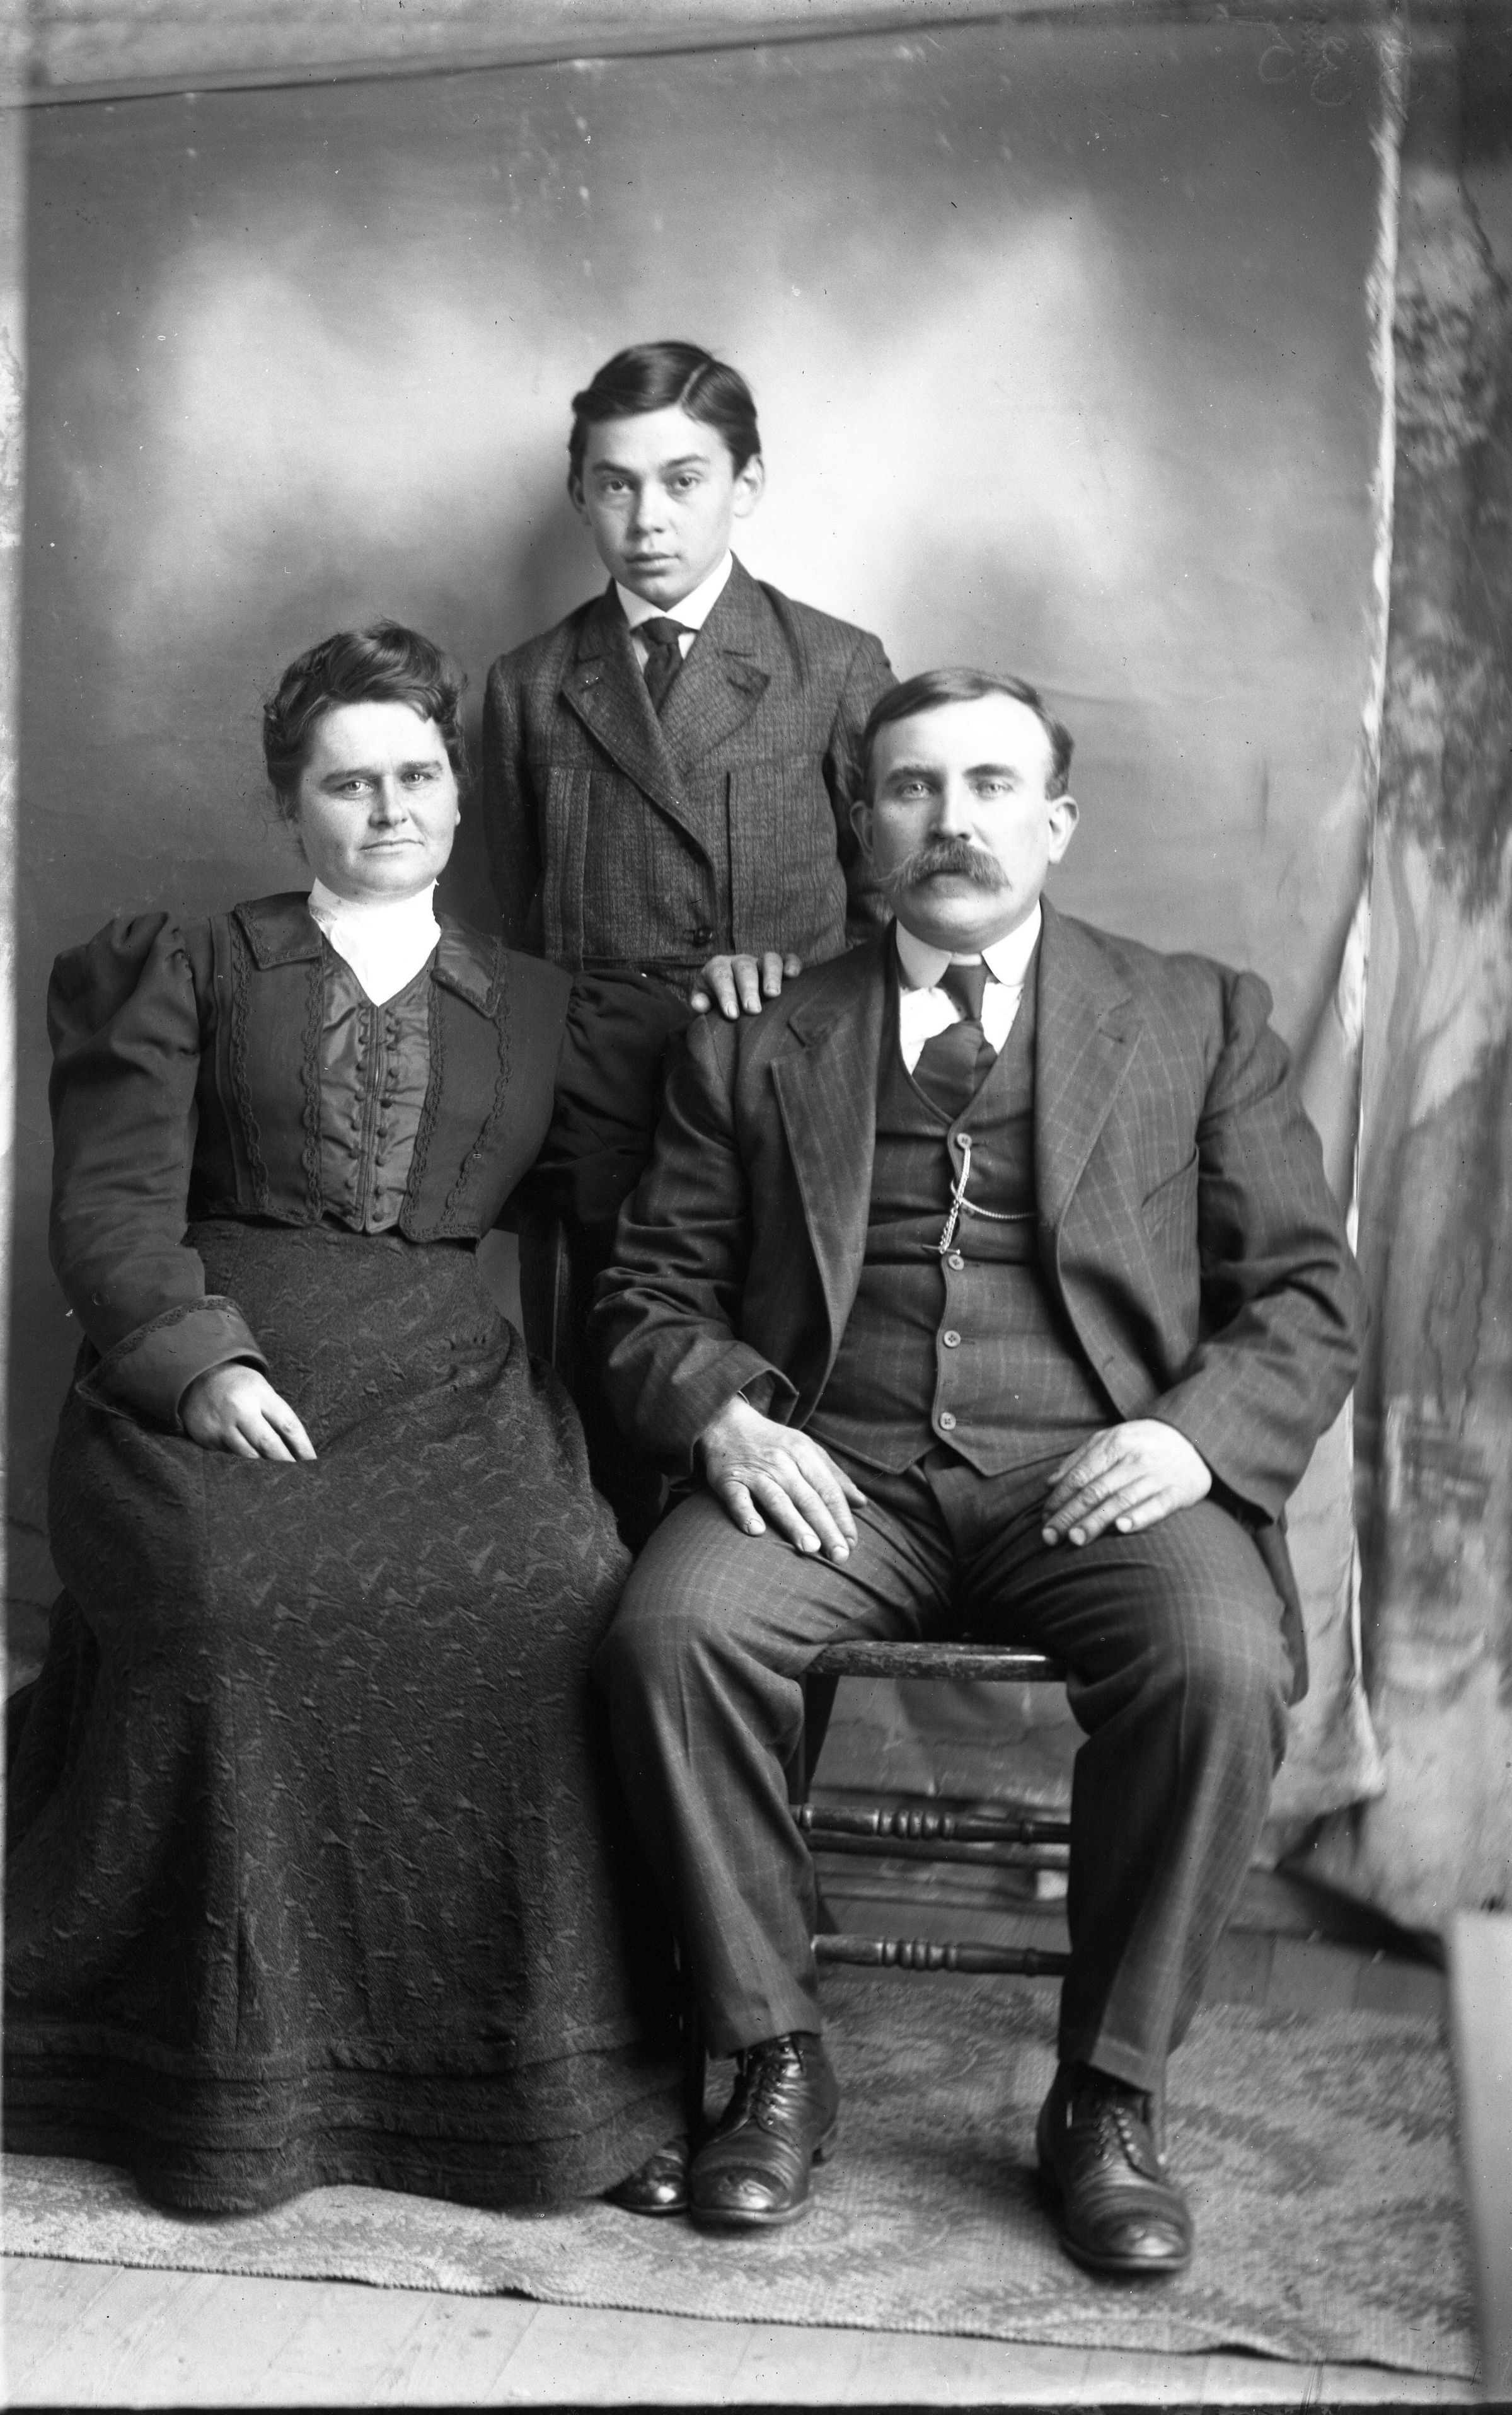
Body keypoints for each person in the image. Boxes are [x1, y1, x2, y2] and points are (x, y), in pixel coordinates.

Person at [591, 668, 1364, 2268]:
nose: (954, 821)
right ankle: (773, 2054)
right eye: (913, 788)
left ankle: (1108, 2093)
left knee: (1221, 1663)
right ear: (864, 826)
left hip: (1099, 1478)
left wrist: (1188, 1435)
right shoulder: (759, 1034)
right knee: (669, 1634)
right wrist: (729, 1416)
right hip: (834, 1474)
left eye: (992, 785)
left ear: (1057, 821)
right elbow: (647, 1295)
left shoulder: (1197, 1013)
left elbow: (1303, 1292)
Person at [4, 623, 686, 2216]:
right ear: (289, 803)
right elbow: (110, 1210)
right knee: (231, 1598)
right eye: (349, 782)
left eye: (419, 776)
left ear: (459, 791)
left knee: (557, 1587)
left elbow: (635, 1226)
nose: (391, 809)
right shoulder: (186, 966)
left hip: (448, 1377)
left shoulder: (546, 1010)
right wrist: (202, 1364)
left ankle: (525, 2069)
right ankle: (222, 2061)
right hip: (213, 1371)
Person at [480, 340, 896, 1538]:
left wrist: (799, 981)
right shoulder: (528, 684)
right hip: (602, 1106)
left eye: (683, 480)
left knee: (790, 1383)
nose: (648, 517)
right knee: (612, 1412)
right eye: (616, 484)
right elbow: (516, 920)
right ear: (580, 494)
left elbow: (891, 913)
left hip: (778, 1086)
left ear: (745, 485)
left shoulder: (833, 664)